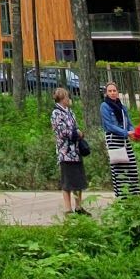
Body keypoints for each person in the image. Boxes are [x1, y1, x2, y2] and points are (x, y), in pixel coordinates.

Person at [50, 85, 88, 215]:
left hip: (76, 151)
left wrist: (79, 132)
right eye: (67, 96)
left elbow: (75, 126)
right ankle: (67, 209)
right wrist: (76, 133)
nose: (69, 99)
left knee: (78, 179)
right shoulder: (56, 113)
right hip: (65, 152)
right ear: (62, 98)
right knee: (67, 180)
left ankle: (78, 207)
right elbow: (60, 132)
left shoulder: (70, 112)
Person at [99, 81, 140, 198]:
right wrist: (125, 132)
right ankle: (122, 197)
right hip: (114, 139)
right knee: (119, 168)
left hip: (125, 139)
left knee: (132, 167)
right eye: (110, 91)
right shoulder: (104, 106)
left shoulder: (122, 107)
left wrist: (132, 131)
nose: (112, 93)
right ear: (106, 93)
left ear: (118, 92)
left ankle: (135, 195)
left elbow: (129, 122)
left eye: (114, 91)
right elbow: (109, 125)